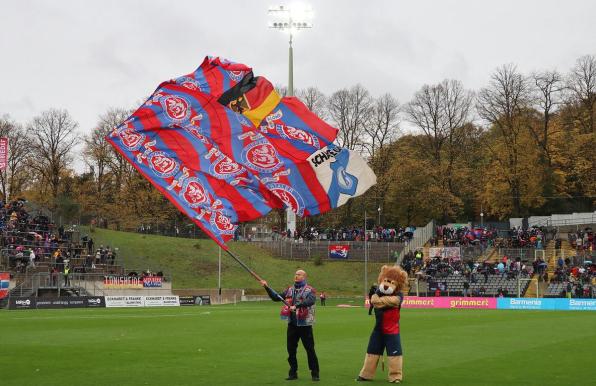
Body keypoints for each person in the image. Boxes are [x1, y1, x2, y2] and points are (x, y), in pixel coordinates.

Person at [261, 269, 320, 381]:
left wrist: (297, 306)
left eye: (299, 274)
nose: (296, 276)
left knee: (310, 349)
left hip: (305, 325)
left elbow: (310, 301)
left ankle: (315, 373)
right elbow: (276, 297)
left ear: (304, 277)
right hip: (292, 324)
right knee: (291, 349)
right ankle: (293, 372)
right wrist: (266, 287)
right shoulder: (289, 290)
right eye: (295, 274)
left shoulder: (310, 290)